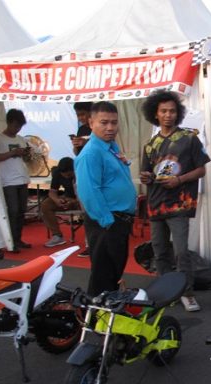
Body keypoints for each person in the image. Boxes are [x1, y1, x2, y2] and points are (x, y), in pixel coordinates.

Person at [139, 90, 211, 312]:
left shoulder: (189, 138)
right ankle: (165, 292)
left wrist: (179, 179)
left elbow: (201, 170)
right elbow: (146, 173)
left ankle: (187, 293)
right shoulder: (150, 144)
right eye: (163, 111)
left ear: (178, 113)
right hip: (155, 204)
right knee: (160, 251)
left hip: (179, 204)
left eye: (172, 111)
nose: (168, 115)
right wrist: (146, 177)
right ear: (155, 114)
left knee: (181, 252)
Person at [74, 101, 136, 296]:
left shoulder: (110, 146)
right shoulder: (91, 153)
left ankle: (108, 309)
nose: (110, 128)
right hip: (107, 222)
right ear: (91, 123)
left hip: (118, 221)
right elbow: (89, 192)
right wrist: (107, 221)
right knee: (103, 276)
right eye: (104, 122)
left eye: (114, 122)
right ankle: (96, 312)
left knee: (113, 273)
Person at [0, 108, 32, 252]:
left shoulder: (21, 139)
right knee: (13, 211)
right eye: (16, 126)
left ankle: (18, 239)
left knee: (21, 211)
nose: (17, 129)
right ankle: (10, 241)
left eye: (20, 126)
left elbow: (27, 159)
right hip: (8, 180)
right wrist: (13, 152)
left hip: (22, 178)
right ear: (8, 123)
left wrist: (27, 154)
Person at [41, 157, 80, 247]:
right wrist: (57, 200)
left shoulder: (81, 173)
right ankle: (57, 236)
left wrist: (75, 201)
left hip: (83, 199)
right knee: (46, 205)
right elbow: (52, 192)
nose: (66, 177)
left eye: (69, 175)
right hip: (68, 197)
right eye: (64, 175)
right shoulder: (57, 173)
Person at [70, 102, 93, 256]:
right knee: (87, 211)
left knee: (95, 210)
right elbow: (77, 153)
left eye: (83, 114)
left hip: (96, 174)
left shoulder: (98, 128)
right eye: (78, 115)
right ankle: (90, 243)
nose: (81, 118)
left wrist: (87, 142)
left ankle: (95, 243)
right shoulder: (82, 129)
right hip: (83, 173)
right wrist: (76, 145)